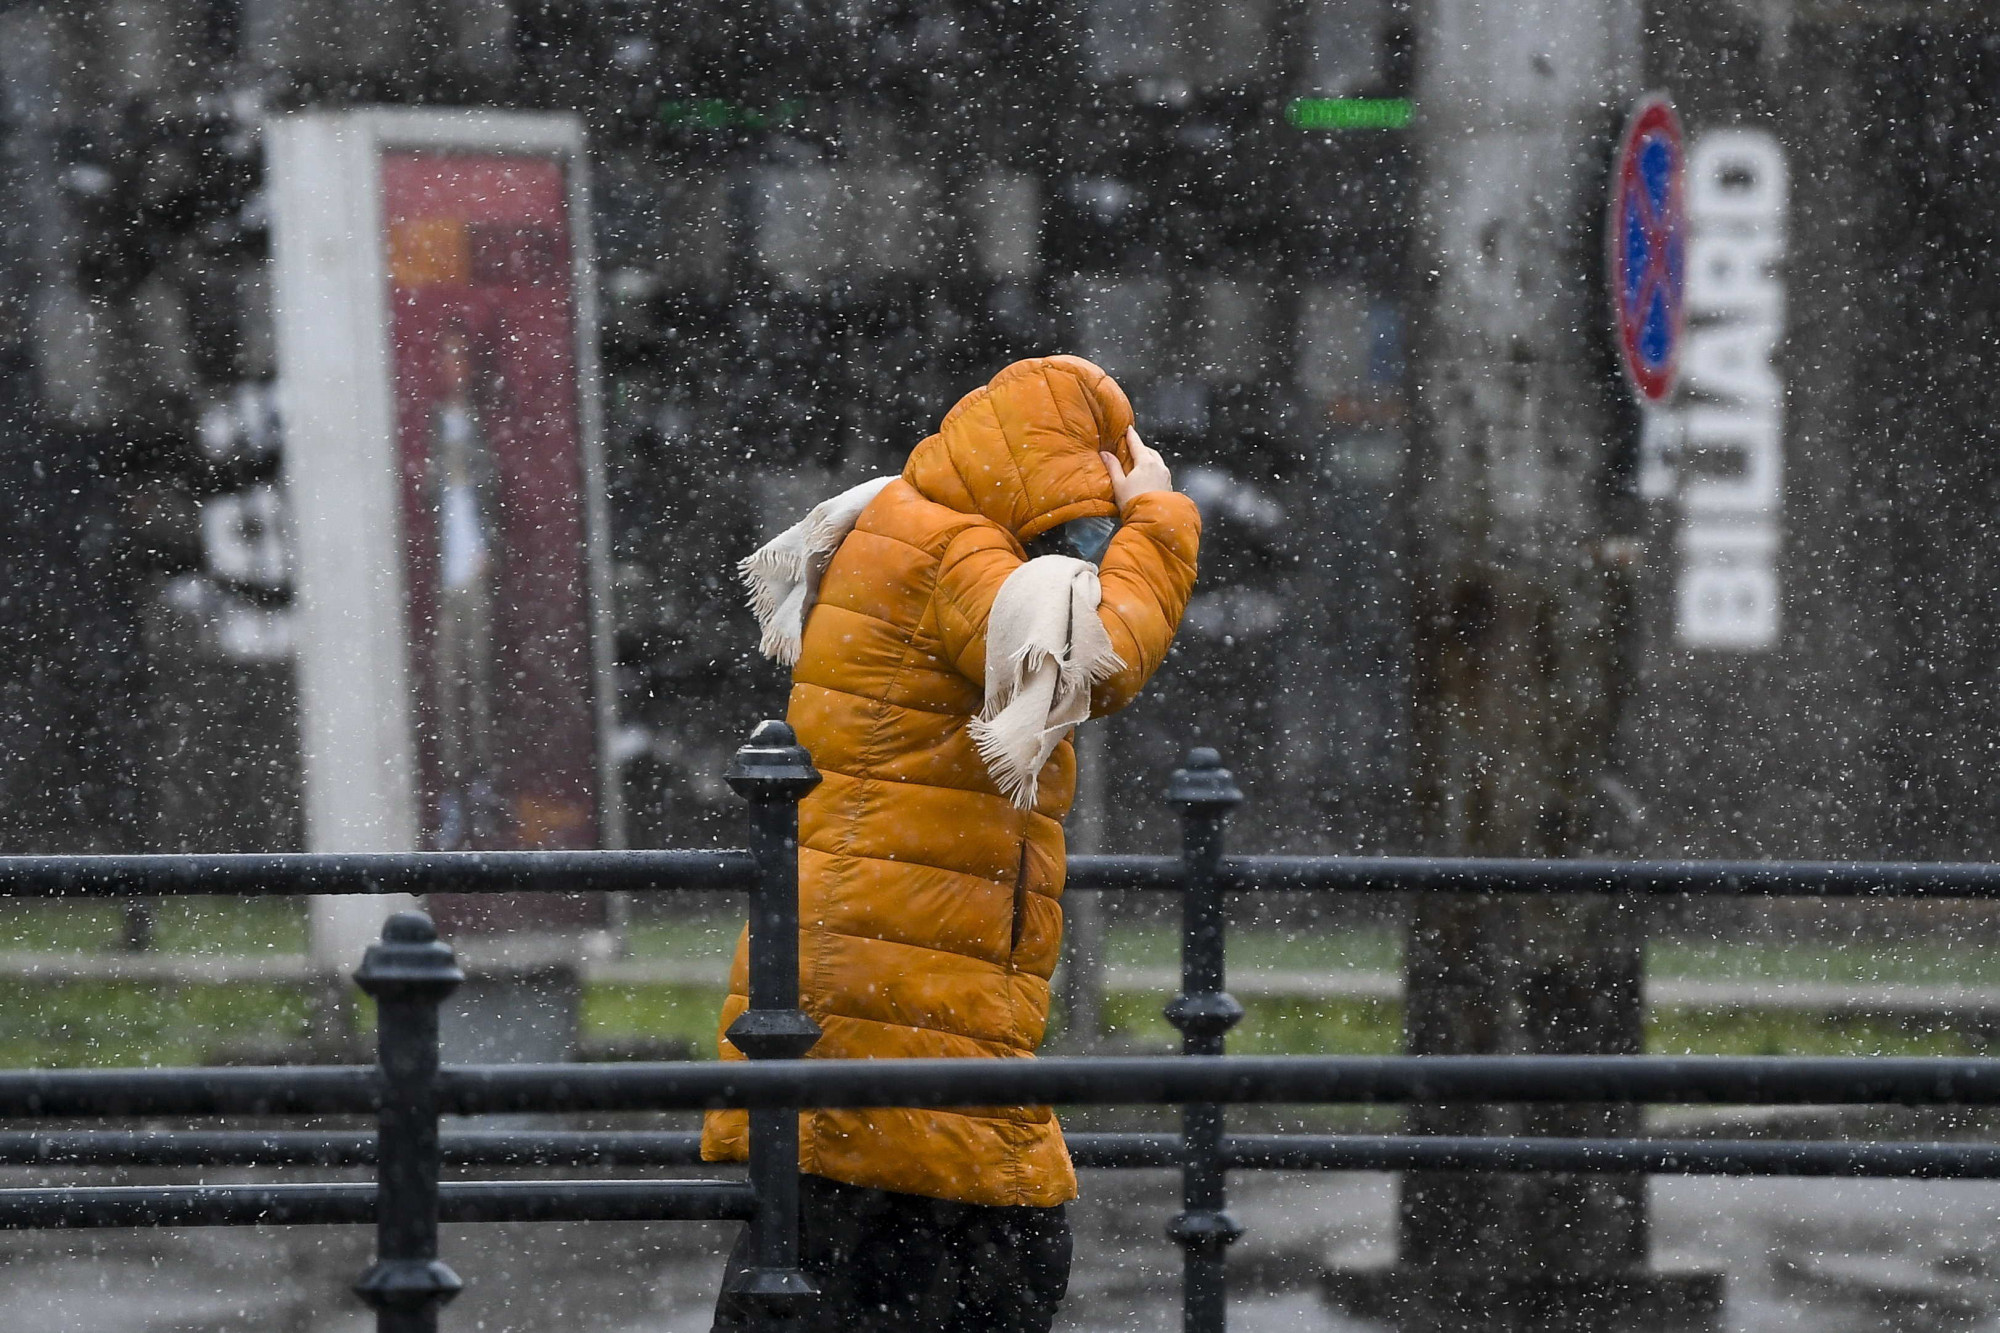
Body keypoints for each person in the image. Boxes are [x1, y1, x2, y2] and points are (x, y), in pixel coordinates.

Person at [704, 354, 1202, 1332]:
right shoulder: (957, 556)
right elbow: (1092, 655)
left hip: (858, 974)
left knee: (832, 1247)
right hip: (909, 990)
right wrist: (1159, 518)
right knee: (975, 1233)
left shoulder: (893, 526)